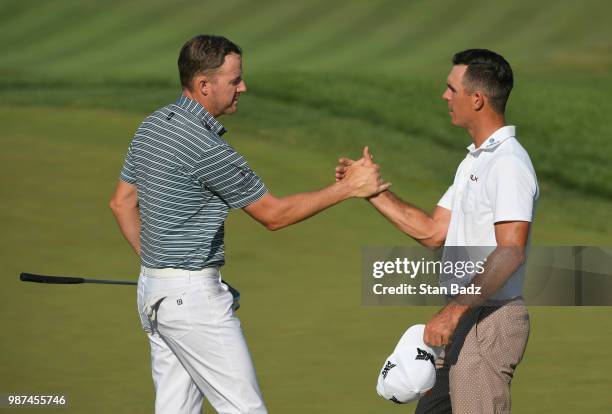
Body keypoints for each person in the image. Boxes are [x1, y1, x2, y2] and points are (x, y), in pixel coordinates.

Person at [109, 34, 389, 414]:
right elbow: (273, 215)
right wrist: (349, 188)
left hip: (154, 293)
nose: (244, 86)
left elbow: (122, 203)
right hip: (189, 302)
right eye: (234, 79)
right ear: (204, 85)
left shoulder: (153, 124)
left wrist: (162, 266)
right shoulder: (205, 147)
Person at [336, 49, 538, 413]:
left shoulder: (507, 163)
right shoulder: (474, 161)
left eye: (451, 88)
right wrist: (370, 192)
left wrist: (452, 313)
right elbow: (432, 231)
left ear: (476, 99)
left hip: (488, 319)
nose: (444, 96)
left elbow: (511, 250)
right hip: (465, 319)